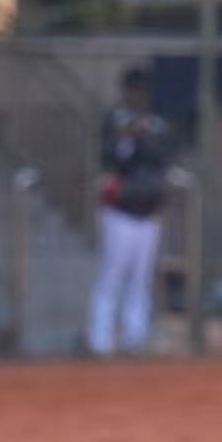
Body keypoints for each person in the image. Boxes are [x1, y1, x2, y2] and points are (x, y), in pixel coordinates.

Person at [86, 64, 172, 356]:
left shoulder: (157, 122)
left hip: (148, 209)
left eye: (142, 91)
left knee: (141, 277)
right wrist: (128, 138)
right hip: (119, 209)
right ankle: (100, 340)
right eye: (133, 90)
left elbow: (163, 156)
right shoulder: (114, 120)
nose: (138, 96)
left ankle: (135, 336)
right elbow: (110, 157)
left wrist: (143, 136)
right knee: (111, 274)